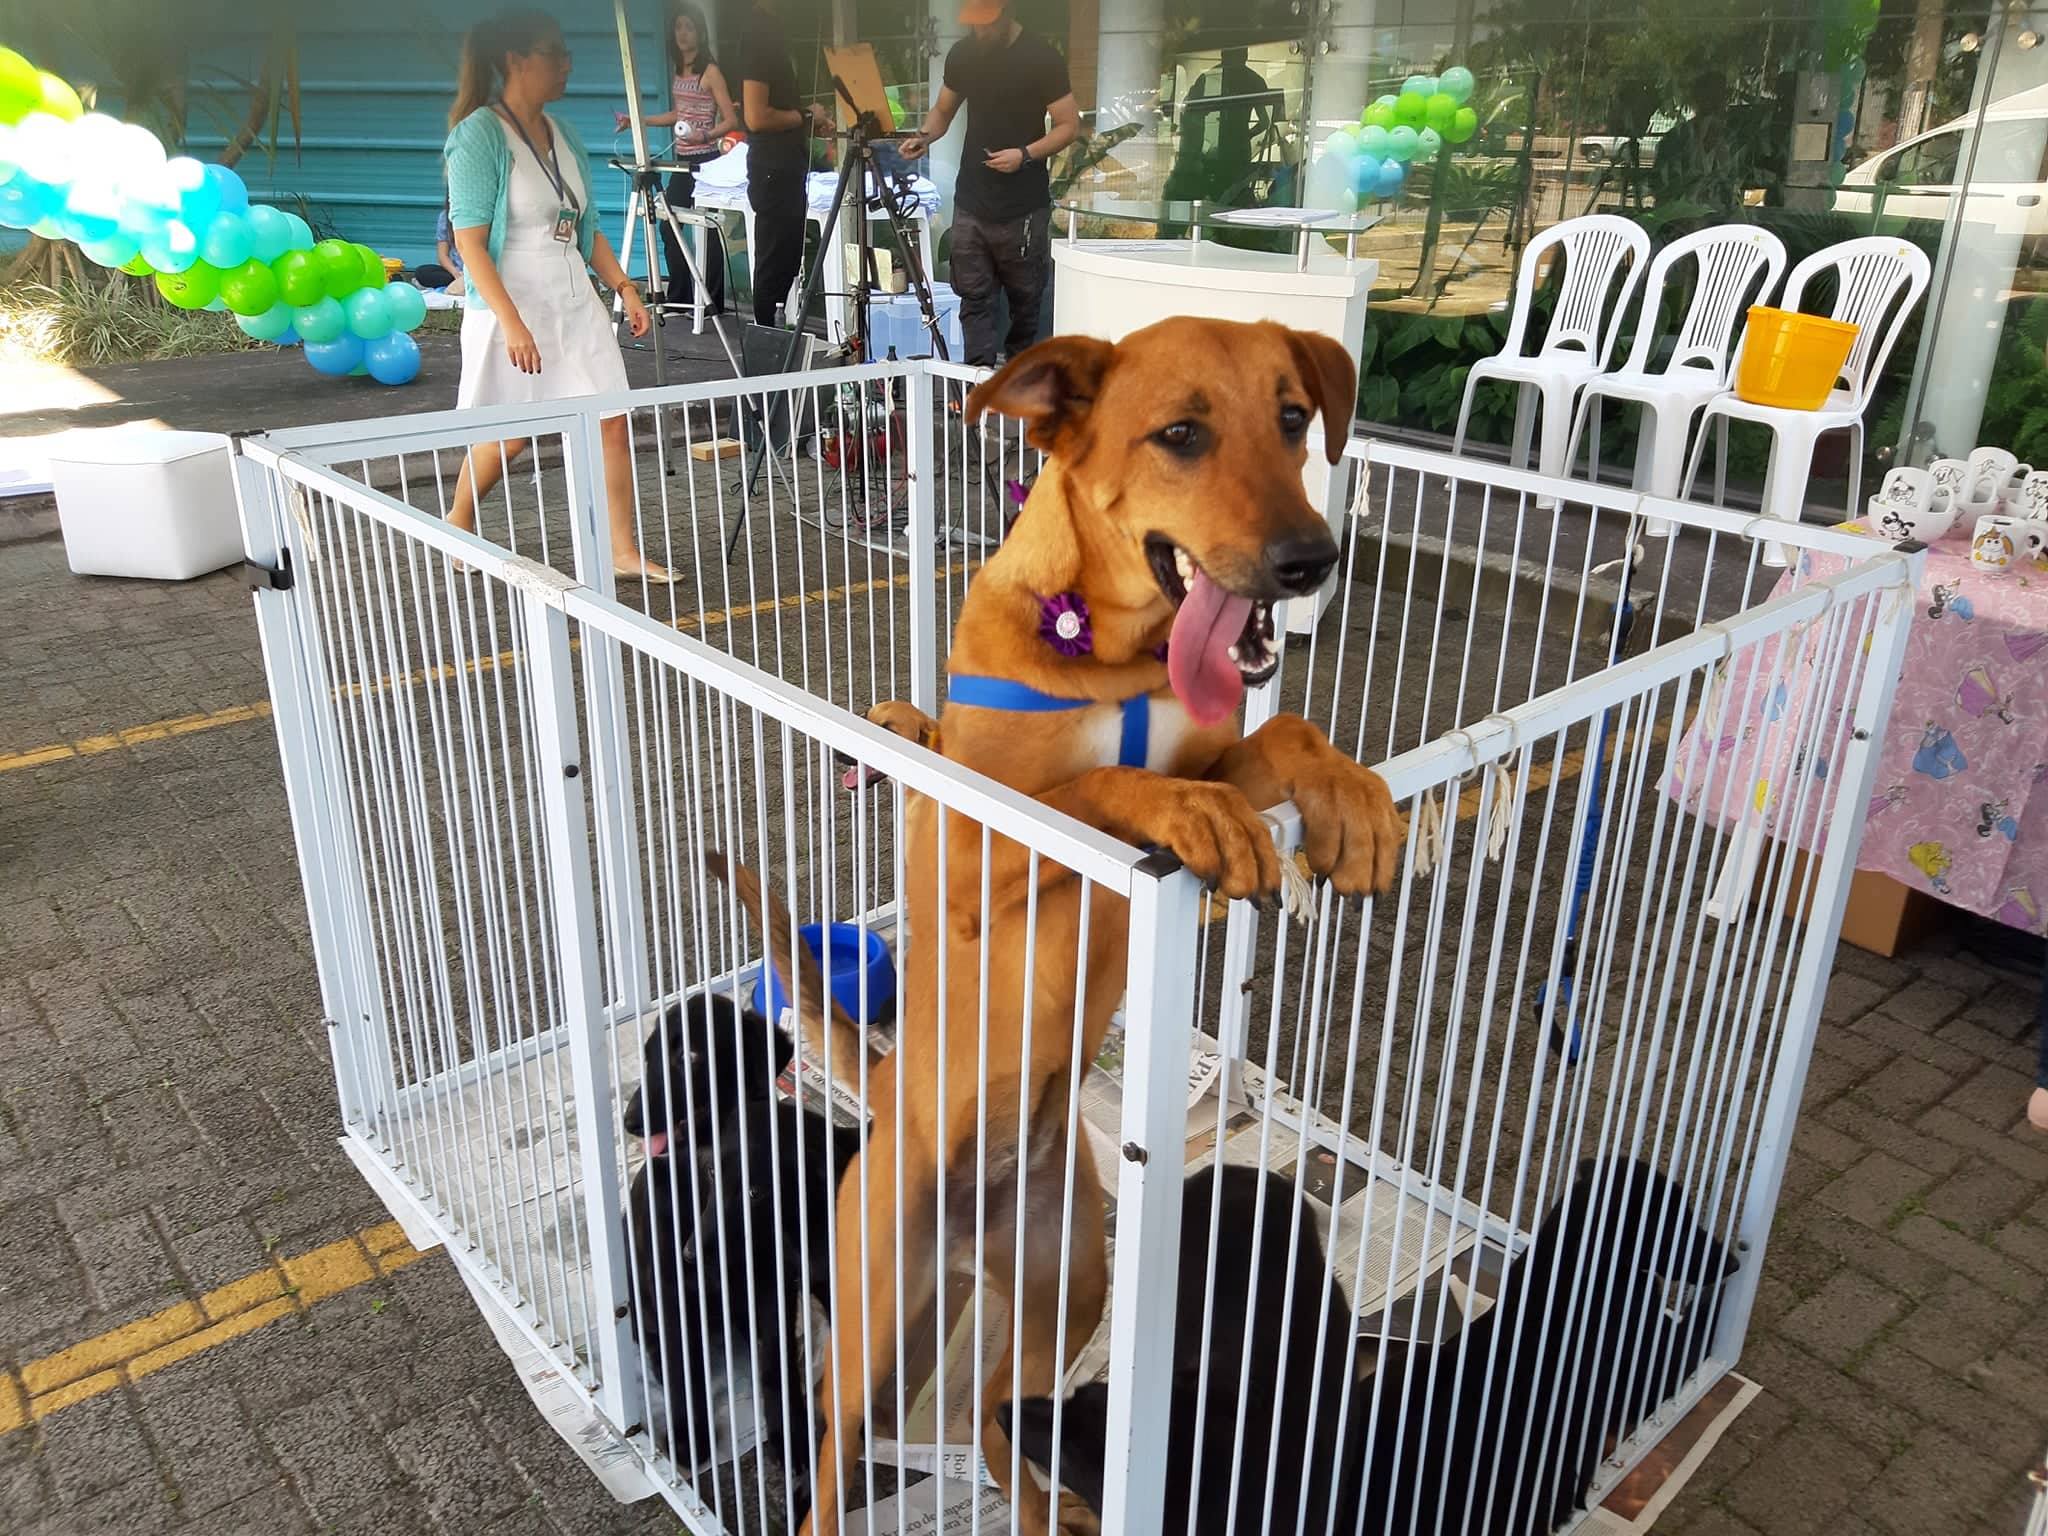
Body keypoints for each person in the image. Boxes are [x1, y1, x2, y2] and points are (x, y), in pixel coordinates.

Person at [443, 8, 673, 581]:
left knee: (611, 418)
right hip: (512, 298)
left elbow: (586, 226)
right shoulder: (477, 134)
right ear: (516, 60)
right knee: (512, 435)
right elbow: (470, 243)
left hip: (572, 296)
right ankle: (457, 520)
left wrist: (625, 287)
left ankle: (621, 550)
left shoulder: (563, 133)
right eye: (554, 54)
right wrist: (513, 322)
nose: (566, 64)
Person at [901, 0, 1079, 367]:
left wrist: (1025, 154)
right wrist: (923, 136)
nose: (981, 31)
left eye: (988, 23)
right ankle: (977, 384)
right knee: (973, 298)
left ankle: (1022, 388)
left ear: (1008, 12)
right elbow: (943, 111)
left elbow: (1068, 125)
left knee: (1026, 305)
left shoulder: (1041, 57)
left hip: (1023, 205)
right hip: (973, 199)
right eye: (975, 24)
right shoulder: (963, 54)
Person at [641, 1, 735, 310]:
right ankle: (680, 295)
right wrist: (639, 120)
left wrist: (705, 135)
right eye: (678, 27)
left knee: (706, 231)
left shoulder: (711, 72)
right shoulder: (679, 70)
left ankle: (713, 302)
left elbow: (731, 119)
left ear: (700, 32)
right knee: (670, 226)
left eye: (689, 27)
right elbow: (678, 113)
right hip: (682, 161)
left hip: (706, 161)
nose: (682, 33)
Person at [736, 0, 821, 325]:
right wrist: (805, 116)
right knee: (773, 261)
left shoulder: (773, 31)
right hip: (773, 167)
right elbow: (756, 117)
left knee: (787, 257)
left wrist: (806, 119)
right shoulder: (758, 35)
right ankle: (765, 338)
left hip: (786, 164)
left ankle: (776, 331)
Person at [415, 200, 464, 290]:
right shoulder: (445, 216)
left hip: (481, 271)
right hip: (457, 272)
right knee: (422, 272)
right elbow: (442, 255)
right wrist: (456, 274)